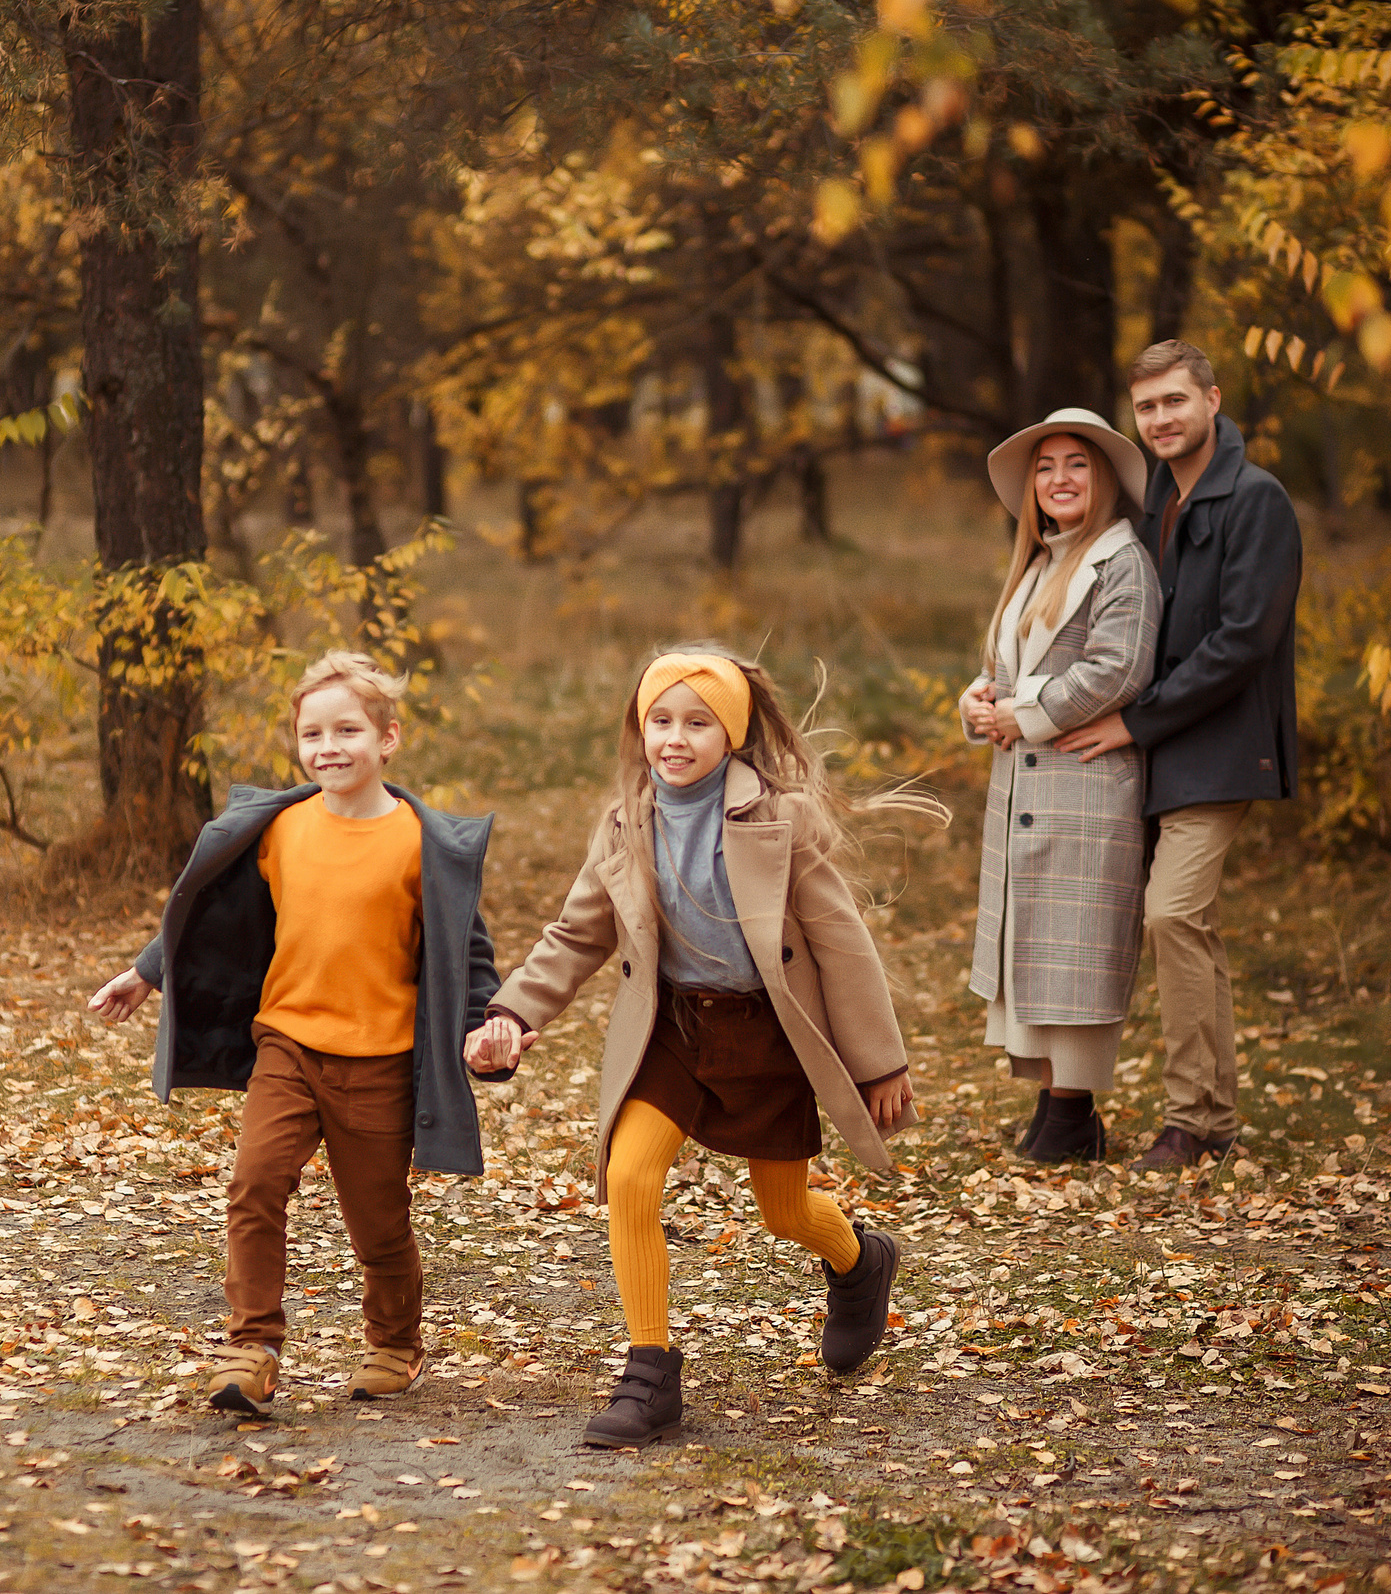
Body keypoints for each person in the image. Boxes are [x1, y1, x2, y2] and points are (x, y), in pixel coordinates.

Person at [465, 645, 922, 1448]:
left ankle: (858, 1262)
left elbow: (841, 942)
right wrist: (512, 1012)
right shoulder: (624, 823)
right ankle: (650, 1372)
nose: (674, 738)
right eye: (659, 720)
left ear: (733, 734)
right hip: (672, 1033)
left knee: (783, 1212)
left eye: (697, 722)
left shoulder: (782, 818)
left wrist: (880, 1061)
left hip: (768, 1042)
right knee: (631, 1176)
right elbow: (577, 934)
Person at [87, 651, 504, 1415]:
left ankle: (395, 1343)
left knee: (377, 1219)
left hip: (380, 1058)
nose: (329, 747)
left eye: (348, 729)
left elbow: (467, 949)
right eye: (313, 733)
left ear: (389, 738)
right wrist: (149, 970)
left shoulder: (423, 842)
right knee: (254, 1183)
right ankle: (253, 1345)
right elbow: (209, 915)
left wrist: (493, 1023)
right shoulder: (278, 828)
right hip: (286, 1044)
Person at [1052, 341, 1303, 1173]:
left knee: (1172, 914)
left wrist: (1137, 720)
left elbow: (1243, 643)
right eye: (1147, 406)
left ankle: (1189, 1122)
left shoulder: (1255, 500)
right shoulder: (1156, 494)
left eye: (1174, 402)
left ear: (1212, 401)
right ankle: (1215, 1117)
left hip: (1220, 745)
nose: (1160, 419)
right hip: (1161, 747)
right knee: (1188, 927)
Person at [956, 408, 1160, 1164]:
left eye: (1077, 464)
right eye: (1045, 467)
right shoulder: (1039, 562)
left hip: (1085, 779)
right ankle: (1056, 1104)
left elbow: (1118, 668)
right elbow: (1007, 666)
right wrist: (978, 700)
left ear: (1102, 478)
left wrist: (1021, 713)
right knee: (1036, 945)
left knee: (1076, 947)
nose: (1059, 479)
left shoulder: (1121, 562)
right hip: (1028, 785)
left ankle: (1074, 1113)